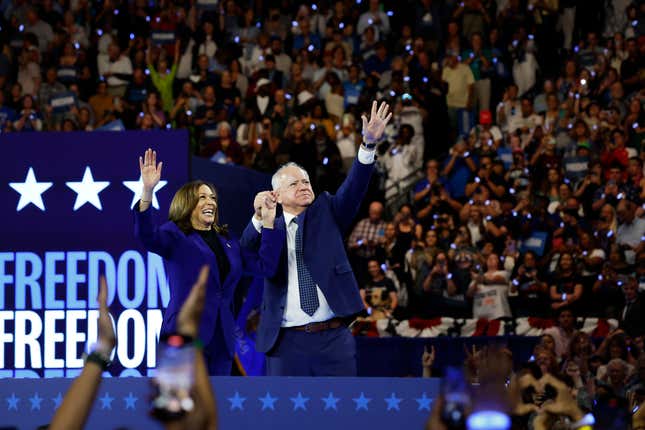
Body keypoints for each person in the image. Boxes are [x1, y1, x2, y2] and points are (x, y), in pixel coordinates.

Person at [240, 100, 391, 376]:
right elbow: (245, 250)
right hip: (285, 342)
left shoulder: (327, 211)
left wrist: (367, 146)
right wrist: (258, 217)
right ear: (277, 195)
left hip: (333, 339)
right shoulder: (269, 227)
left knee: (342, 415)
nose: (303, 186)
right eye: (294, 183)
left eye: (306, 181)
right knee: (286, 418)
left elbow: (354, 189)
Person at [134, 148, 282, 375]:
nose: (210, 201)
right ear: (187, 203)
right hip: (185, 332)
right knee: (184, 405)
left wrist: (269, 223)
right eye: (202, 197)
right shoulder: (176, 234)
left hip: (221, 338)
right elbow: (147, 236)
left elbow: (266, 266)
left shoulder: (227, 242)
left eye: (212, 197)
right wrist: (147, 191)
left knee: (215, 403)